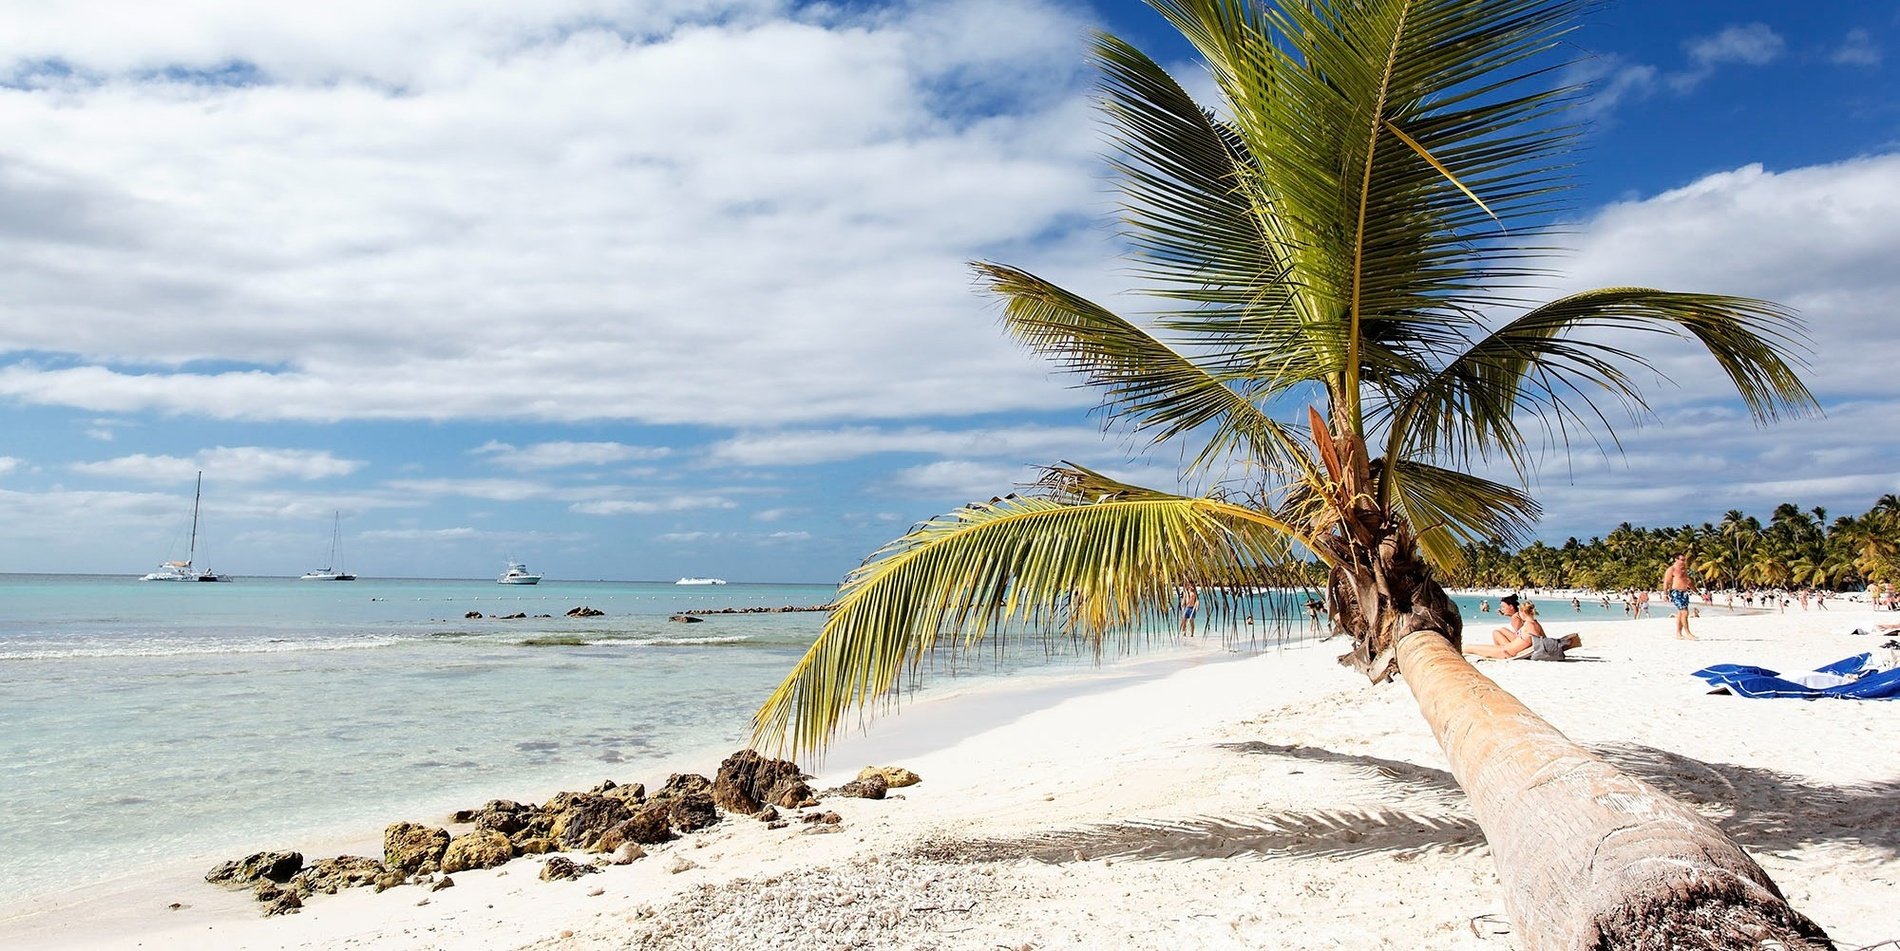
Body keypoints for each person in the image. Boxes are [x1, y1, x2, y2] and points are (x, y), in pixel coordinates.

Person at [1465, 598, 1543, 658]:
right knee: (1470, 647)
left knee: (1469, 648)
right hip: (1507, 650)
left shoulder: (1529, 626)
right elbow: (1541, 641)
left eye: (1519, 612)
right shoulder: (1535, 623)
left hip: (1506, 653)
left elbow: (1535, 644)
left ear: (1522, 612)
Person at [1662, 552, 1696, 640]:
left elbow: (1689, 582)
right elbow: (1666, 582)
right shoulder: (1671, 569)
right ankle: (1688, 633)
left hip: (1684, 593)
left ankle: (1678, 634)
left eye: (1684, 560)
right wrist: (1665, 594)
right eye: (1681, 560)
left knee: (1681, 614)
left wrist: (1698, 592)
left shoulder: (1684, 570)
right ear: (1676, 560)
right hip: (1676, 592)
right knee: (1685, 612)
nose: (1683, 562)